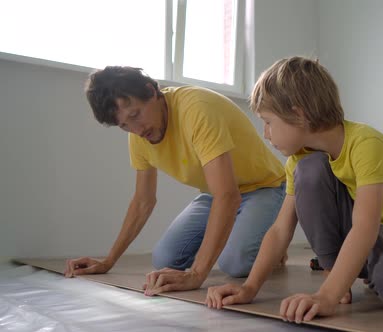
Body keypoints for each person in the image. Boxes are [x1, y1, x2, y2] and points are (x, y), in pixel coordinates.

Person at [206, 56, 383, 323]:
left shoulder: (368, 144)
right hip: (356, 229)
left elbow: (365, 228)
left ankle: (380, 270)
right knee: (310, 169)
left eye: (268, 122)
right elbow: (280, 230)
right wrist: (249, 287)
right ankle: (336, 271)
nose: (266, 134)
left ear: (299, 114)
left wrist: (326, 297)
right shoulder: (298, 161)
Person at [64, 66, 286, 296]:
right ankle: (245, 233)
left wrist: (197, 274)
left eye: (135, 115)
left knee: (235, 263)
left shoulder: (197, 109)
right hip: (215, 194)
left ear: (151, 92)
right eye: (124, 126)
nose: (136, 130)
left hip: (265, 186)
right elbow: (143, 201)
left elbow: (228, 196)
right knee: (164, 259)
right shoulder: (139, 136)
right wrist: (108, 261)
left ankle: (271, 245)